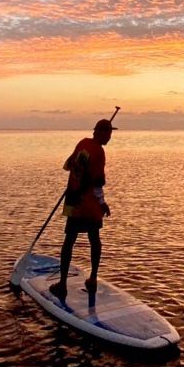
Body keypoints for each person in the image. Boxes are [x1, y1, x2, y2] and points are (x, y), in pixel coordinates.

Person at [49, 119, 114, 300]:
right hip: (87, 202)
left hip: (73, 198)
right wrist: (102, 203)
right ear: (99, 133)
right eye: (108, 133)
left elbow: (68, 166)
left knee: (69, 239)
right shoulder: (99, 151)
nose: (110, 137)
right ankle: (92, 279)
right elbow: (97, 183)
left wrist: (77, 175)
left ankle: (63, 284)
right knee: (94, 239)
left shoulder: (82, 143)